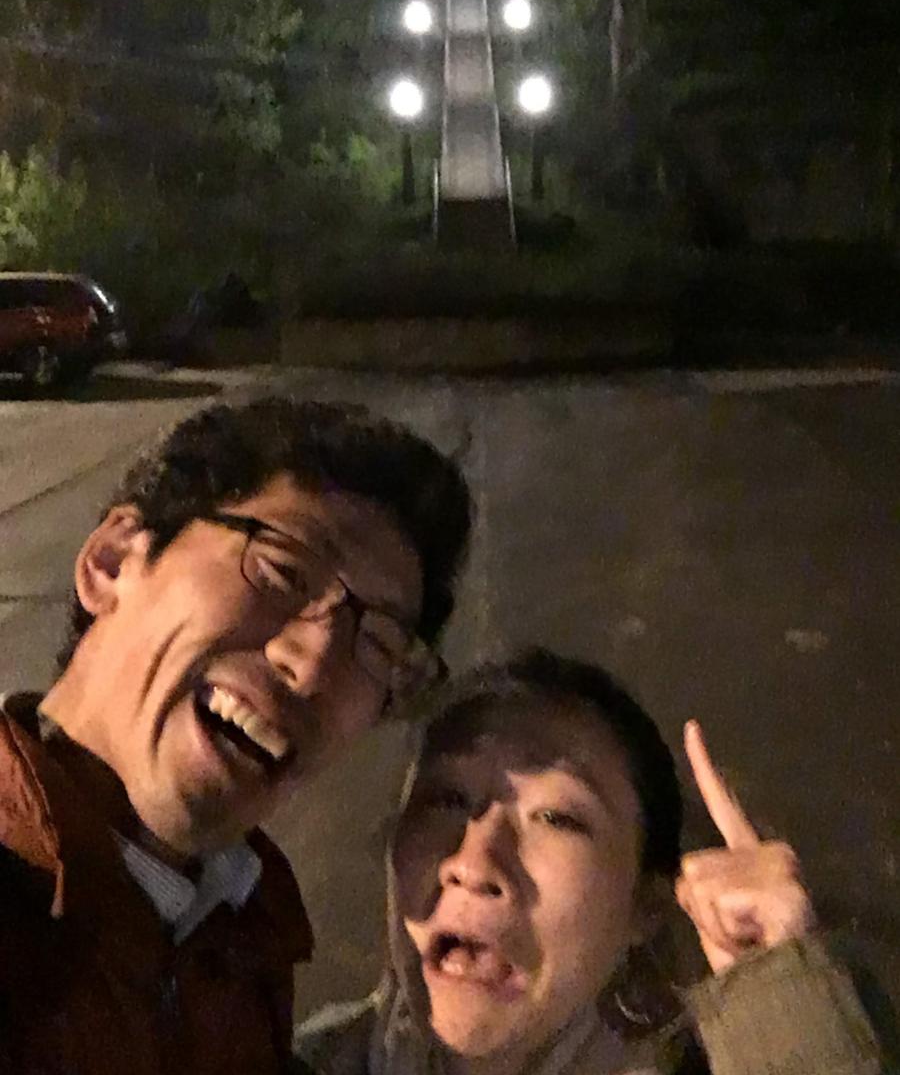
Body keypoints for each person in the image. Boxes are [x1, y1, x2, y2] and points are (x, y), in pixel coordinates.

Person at [0, 397, 472, 1075]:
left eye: (379, 644)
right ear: (113, 561)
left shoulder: (242, 937)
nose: (314, 666)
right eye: (283, 572)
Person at [296, 649, 882, 1075]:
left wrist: (789, 1015)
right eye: (446, 800)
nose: (474, 862)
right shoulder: (278, 1055)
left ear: (645, 907)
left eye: (557, 818)